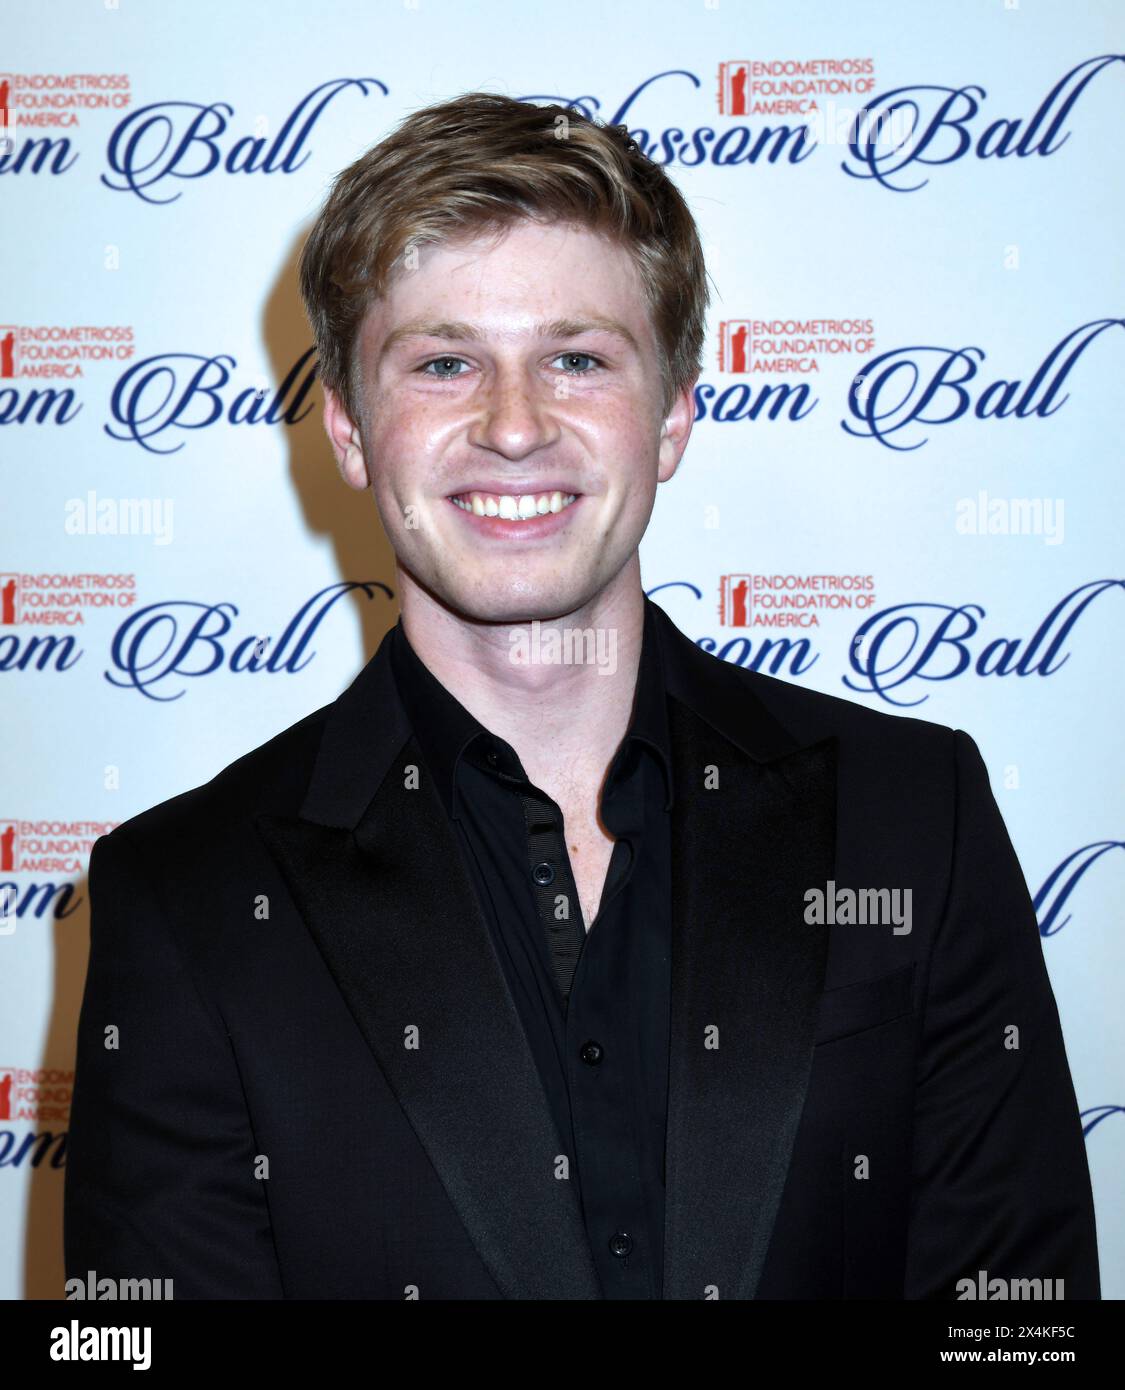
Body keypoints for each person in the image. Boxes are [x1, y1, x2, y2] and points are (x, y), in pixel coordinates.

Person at [64, 92, 1099, 1300]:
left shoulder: (916, 815)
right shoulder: (186, 896)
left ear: (672, 416)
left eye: (577, 358)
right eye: (446, 363)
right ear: (348, 430)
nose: (515, 427)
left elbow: (1021, 1321)